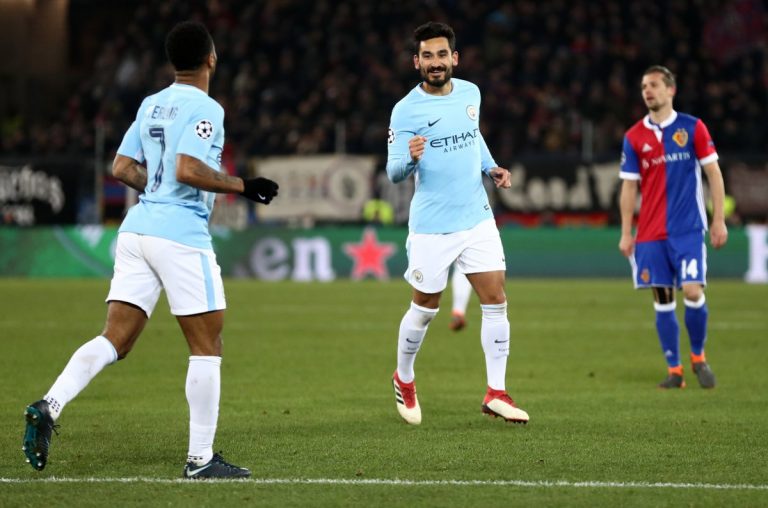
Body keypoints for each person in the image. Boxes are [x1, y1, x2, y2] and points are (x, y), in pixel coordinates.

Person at [22, 21, 279, 478]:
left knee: (115, 340)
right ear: (211, 58)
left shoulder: (151, 104)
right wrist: (244, 186)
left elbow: (121, 166)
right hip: (180, 236)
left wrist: (155, 190)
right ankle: (200, 460)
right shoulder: (207, 108)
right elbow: (187, 169)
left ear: (172, 62)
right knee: (207, 346)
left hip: (137, 231)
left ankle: (50, 404)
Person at [386, 21, 529, 425]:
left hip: (477, 217)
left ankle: (496, 392)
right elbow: (394, 172)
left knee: (496, 299)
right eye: (427, 56)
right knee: (425, 308)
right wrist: (410, 158)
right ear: (416, 62)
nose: (435, 62)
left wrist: (491, 167)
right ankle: (404, 377)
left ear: (455, 58)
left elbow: (472, 134)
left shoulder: (471, 93)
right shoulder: (405, 109)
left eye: (441, 54)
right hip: (433, 226)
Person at [618, 65, 728, 389]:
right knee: (663, 300)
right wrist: (626, 232)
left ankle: (698, 357)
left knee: (693, 291)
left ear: (670, 90)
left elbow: (713, 173)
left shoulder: (692, 128)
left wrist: (718, 219)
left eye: (653, 85)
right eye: (643, 86)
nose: (647, 91)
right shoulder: (634, 137)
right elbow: (629, 187)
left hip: (687, 229)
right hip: (650, 234)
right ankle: (675, 370)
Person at [449, 264, 472, 331]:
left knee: (461, 292)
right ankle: (458, 317)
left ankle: (458, 318)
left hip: (469, 268)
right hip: (462, 267)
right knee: (459, 292)